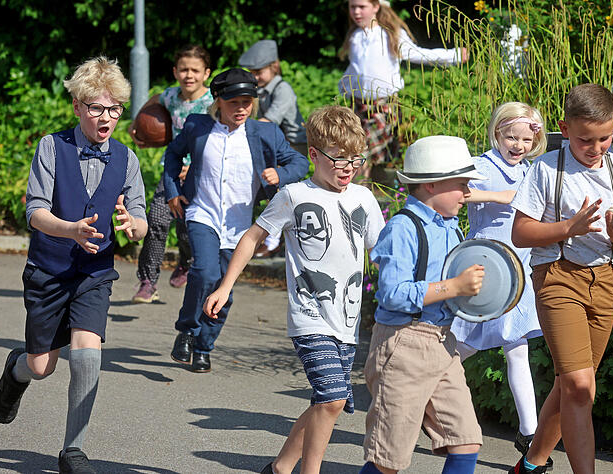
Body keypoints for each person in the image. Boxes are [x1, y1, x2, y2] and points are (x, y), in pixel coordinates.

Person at [204, 105, 385, 474]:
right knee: (333, 399)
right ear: (314, 155)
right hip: (309, 317)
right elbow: (254, 236)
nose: (348, 167)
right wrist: (225, 286)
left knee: (325, 401)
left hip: (346, 320)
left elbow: (381, 253)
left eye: (355, 159)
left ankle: (280, 467)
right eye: (339, 159)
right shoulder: (294, 195)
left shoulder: (363, 199)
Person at [0, 56, 148, 474]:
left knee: (87, 355)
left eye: (114, 108)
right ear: (78, 106)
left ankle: (72, 451)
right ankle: (16, 370)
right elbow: (35, 212)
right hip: (49, 270)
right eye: (96, 107)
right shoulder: (51, 147)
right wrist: (70, 229)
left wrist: (133, 225)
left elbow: (142, 221)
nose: (106, 117)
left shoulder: (128, 160)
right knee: (42, 366)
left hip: (95, 274)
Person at [509, 84, 613, 474]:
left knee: (572, 384)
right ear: (564, 128)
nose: (595, 148)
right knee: (579, 387)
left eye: (604, 138)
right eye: (584, 139)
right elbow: (521, 233)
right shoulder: (546, 169)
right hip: (557, 277)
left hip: (606, 281)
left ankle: (531, 463)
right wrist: (568, 228)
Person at [163, 68, 308, 373]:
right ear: (218, 101)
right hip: (202, 213)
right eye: (234, 102)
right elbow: (173, 156)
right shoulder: (197, 127)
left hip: (242, 226)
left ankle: (203, 347)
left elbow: (300, 161)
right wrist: (173, 191)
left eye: (247, 101)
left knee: (223, 289)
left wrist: (280, 174)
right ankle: (187, 331)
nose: (242, 108)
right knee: (203, 271)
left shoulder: (265, 133)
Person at [361, 135, 486, 474]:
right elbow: (392, 294)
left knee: (465, 440)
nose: (466, 193)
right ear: (431, 184)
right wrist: (454, 286)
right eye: (460, 184)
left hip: (443, 343)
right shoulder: (403, 228)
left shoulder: (450, 228)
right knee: (389, 456)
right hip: (404, 345)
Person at [450, 102, 554, 467]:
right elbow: (458, 193)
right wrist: (500, 196)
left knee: (517, 346)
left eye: (526, 138)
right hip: (487, 265)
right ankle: (422, 381)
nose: (518, 144)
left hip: (519, 268)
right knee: (462, 344)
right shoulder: (481, 166)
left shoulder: (530, 170)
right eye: (511, 136)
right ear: (496, 133)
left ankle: (530, 432)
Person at [339, 0, 468, 181]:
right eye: (353, 7)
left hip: (383, 105)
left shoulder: (390, 34)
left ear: (376, 7)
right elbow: (356, 68)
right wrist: (342, 90)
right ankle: (366, 191)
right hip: (358, 105)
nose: (356, 12)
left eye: (362, 7)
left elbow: (418, 54)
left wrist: (453, 55)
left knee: (372, 154)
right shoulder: (355, 36)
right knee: (358, 150)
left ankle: (377, 193)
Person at [130, 45, 214, 303]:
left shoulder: (213, 103)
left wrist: (201, 163)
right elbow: (155, 98)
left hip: (201, 175)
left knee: (188, 228)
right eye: (184, 69)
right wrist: (138, 124)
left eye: (195, 70)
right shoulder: (171, 97)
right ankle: (147, 282)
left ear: (206, 73)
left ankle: (187, 263)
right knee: (156, 220)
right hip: (173, 171)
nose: (189, 75)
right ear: (175, 72)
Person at [238, 39, 308, 259]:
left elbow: (269, 121)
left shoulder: (282, 89)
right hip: (274, 144)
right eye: (252, 72)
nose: (255, 77)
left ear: (274, 67)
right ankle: (270, 237)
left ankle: (273, 240)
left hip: (293, 145)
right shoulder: (261, 90)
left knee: (278, 190)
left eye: (259, 72)